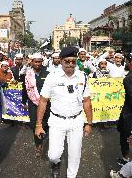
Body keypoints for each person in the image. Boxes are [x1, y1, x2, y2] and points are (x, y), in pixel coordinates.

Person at [35, 46, 93, 178]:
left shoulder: (82, 77)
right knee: (53, 154)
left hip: (76, 121)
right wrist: (38, 125)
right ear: (61, 61)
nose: (70, 64)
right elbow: (43, 101)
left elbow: (87, 101)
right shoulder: (52, 77)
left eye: (73, 61)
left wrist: (89, 123)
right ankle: (55, 163)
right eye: (67, 61)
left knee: (74, 154)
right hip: (57, 121)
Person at [23, 53, 50, 157]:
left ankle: (41, 138)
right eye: (36, 61)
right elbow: (25, 89)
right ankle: (38, 145)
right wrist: (24, 101)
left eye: (39, 62)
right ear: (32, 62)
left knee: (44, 123)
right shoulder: (28, 74)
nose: (37, 64)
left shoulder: (47, 73)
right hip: (33, 104)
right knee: (34, 125)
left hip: (45, 103)